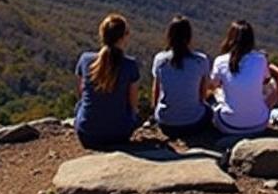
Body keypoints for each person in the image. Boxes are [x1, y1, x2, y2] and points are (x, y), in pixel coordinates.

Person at [74, 13, 141, 149]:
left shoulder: (85, 60)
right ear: (123, 37)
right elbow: (132, 104)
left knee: (79, 106)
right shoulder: (130, 65)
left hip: (88, 134)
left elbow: (81, 93)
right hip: (120, 135)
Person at [208, 19, 278, 135]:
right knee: (273, 85)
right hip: (259, 124)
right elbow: (266, 82)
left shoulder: (220, 61)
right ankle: (259, 111)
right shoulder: (260, 59)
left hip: (229, 125)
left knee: (215, 97)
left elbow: (212, 86)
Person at [151, 15, 212, 138]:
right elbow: (202, 95)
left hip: (166, 122)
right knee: (211, 108)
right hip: (193, 123)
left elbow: (156, 90)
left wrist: (154, 113)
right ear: (189, 37)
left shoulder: (160, 60)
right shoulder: (201, 60)